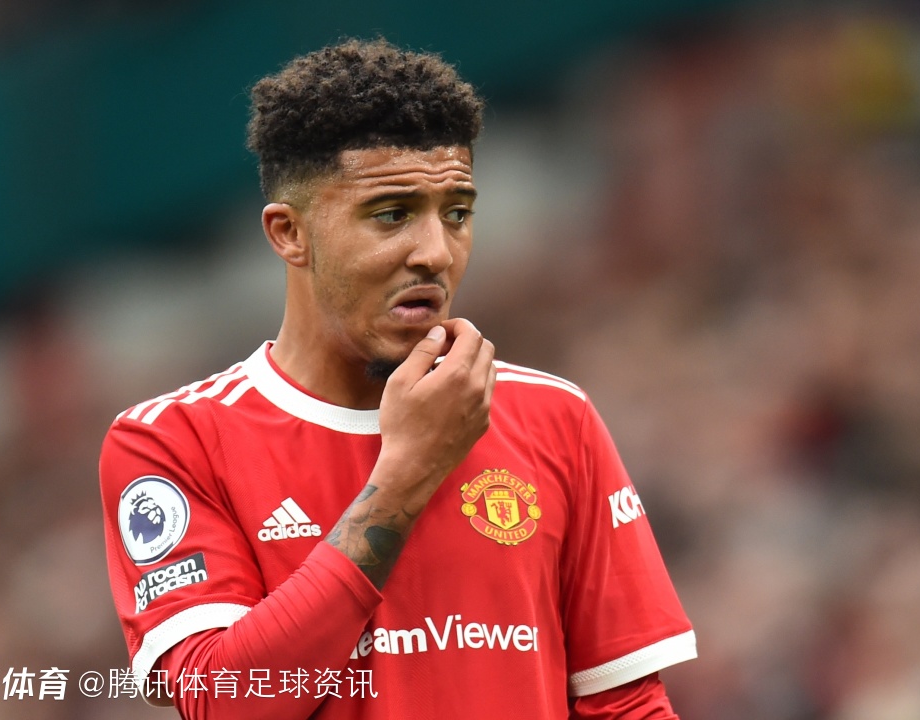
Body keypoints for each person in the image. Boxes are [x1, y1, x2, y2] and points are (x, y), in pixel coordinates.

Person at [99, 38, 696, 719]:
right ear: (289, 233)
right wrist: (405, 478)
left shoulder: (555, 418)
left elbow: (627, 706)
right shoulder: (174, 442)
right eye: (392, 214)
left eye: (458, 213)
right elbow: (221, 699)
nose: (436, 252)